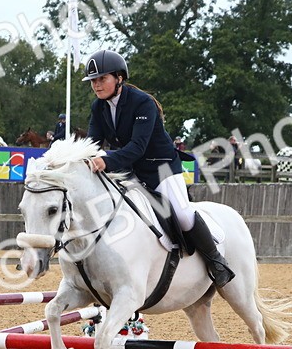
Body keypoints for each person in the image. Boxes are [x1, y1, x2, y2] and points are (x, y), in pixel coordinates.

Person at [82, 49, 234, 288]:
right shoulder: (97, 108)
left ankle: (217, 261)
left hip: (161, 167)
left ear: (119, 77)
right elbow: (92, 142)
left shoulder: (142, 103)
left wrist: (106, 161)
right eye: (93, 81)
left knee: (183, 215)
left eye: (102, 79)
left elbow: (138, 146)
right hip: (131, 171)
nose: (96, 85)